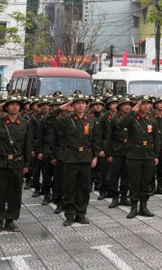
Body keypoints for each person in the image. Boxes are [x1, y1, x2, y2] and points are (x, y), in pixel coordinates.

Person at [0, 97, 33, 233]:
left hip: (17, 163)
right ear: (6, 107)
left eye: (17, 105)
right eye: (11, 105)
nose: (14, 107)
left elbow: (28, 145)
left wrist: (27, 164)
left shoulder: (25, 124)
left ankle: (10, 220)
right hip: (1, 162)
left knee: (15, 193)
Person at [51, 94, 100, 226]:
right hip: (70, 158)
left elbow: (95, 140)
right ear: (73, 105)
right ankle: (69, 215)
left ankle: (81, 214)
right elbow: (49, 120)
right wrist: (61, 108)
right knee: (69, 188)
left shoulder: (91, 120)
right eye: (77, 103)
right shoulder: (66, 120)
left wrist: (95, 156)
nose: (80, 105)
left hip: (86, 157)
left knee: (83, 188)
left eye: (83, 103)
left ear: (87, 105)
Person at [120, 96, 161, 219]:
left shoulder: (152, 120)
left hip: (148, 155)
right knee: (134, 182)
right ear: (138, 105)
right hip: (134, 155)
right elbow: (121, 124)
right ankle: (133, 207)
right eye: (143, 104)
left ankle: (143, 206)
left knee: (146, 182)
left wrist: (156, 155)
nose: (146, 106)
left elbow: (156, 139)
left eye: (148, 104)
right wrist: (133, 110)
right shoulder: (132, 119)